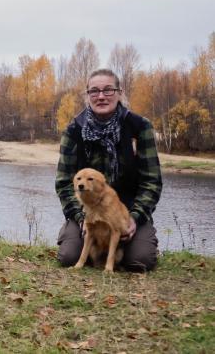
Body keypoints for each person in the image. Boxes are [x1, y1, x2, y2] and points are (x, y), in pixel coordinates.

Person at [55, 68, 162, 272]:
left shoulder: (140, 127)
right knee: (69, 257)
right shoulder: (73, 130)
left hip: (127, 211)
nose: (101, 96)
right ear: (87, 96)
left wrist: (135, 218)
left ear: (119, 93)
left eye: (108, 90)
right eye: (94, 91)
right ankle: (88, 243)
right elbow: (63, 184)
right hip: (88, 212)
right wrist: (80, 219)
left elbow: (152, 182)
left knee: (140, 261)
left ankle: (137, 242)